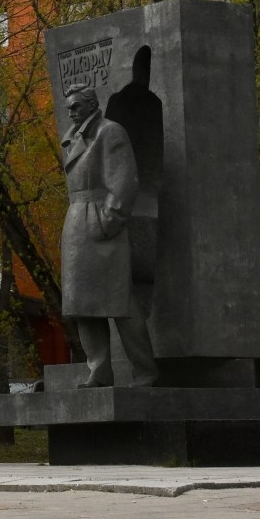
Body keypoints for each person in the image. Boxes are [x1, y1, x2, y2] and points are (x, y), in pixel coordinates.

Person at [59, 82, 157, 387]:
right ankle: (99, 370)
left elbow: (124, 182)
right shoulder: (74, 138)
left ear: (92, 105)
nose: (71, 112)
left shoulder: (110, 132)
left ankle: (145, 370)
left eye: (76, 106)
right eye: (68, 107)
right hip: (77, 225)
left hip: (100, 224)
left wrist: (107, 222)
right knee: (81, 305)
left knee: (121, 303)